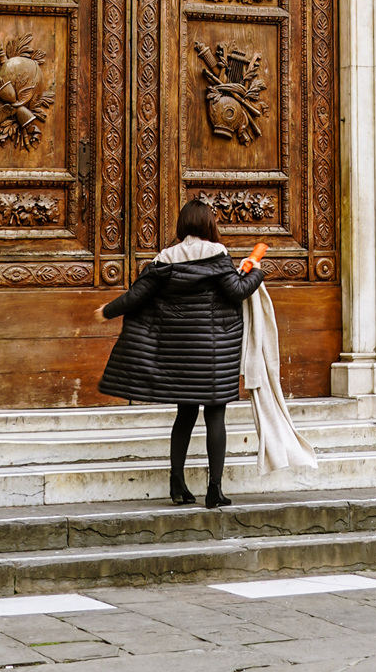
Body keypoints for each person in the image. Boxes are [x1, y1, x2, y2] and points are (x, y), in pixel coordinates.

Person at [99, 196, 263, 504]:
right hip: (213, 355)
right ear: (208, 224)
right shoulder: (217, 255)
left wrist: (107, 311)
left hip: (180, 355)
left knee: (185, 415)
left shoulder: (165, 259)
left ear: (183, 224)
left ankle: (177, 485)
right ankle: (214, 490)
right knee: (215, 416)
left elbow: (136, 296)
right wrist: (255, 271)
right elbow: (237, 291)